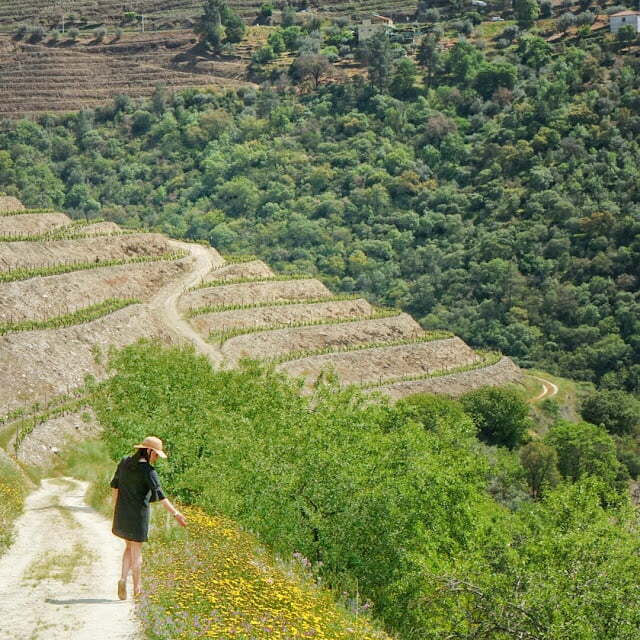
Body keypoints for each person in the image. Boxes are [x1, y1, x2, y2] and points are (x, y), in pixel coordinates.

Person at [110, 436, 186, 600]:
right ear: (149, 451)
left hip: (122, 512)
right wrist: (176, 513)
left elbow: (115, 485)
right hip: (139, 516)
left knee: (129, 548)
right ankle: (137, 589)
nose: (157, 458)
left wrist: (115, 509)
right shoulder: (149, 472)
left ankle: (123, 579)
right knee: (137, 552)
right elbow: (161, 496)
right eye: (156, 454)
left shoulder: (124, 462)